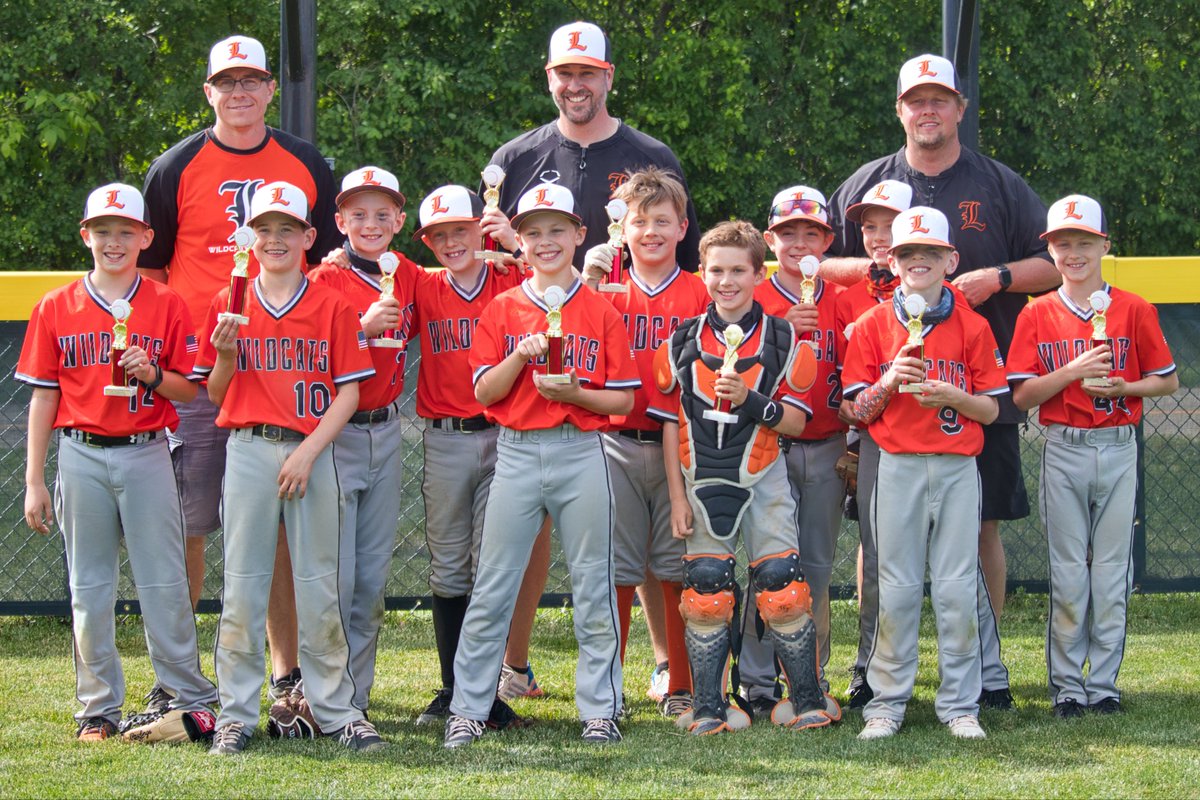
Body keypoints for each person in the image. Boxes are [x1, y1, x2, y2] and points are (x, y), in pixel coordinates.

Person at [825, 53, 1062, 709]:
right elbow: (815, 257)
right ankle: (872, 666)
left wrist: (999, 279)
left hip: (977, 379)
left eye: (940, 99)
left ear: (959, 107)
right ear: (900, 109)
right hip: (887, 386)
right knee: (878, 536)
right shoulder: (867, 182)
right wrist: (871, 278)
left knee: (982, 526)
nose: (927, 110)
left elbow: (1054, 261)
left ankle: (984, 670)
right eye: (915, 100)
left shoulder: (997, 183)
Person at [490, 18, 700, 705]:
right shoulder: (517, 156)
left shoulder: (647, 153)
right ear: (549, 78)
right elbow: (497, 265)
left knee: (646, 547)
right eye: (563, 73)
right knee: (538, 538)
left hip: (616, 379)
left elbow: (674, 259)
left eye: (587, 72)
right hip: (535, 373)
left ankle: (672, 669)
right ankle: (513, 665)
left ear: (608, 76)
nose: (575, 84)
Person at [138, 34, 340, 708]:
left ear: (269, 89)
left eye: (251, 79)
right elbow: (151, 273)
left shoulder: (305, 162)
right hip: (204, 373)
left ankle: (287, 674)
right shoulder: (175, 166)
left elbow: (332, 262)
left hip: (287, 370)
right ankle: (184, 679)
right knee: (190, 526)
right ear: (209, 91)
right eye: (227, 82)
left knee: (280, 527)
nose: (240, 92)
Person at [17, 184, 218, 742]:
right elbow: (43, 397)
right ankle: (98, 709)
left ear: (146, 238)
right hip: (80, 454)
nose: (114, 241)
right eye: (103, 231)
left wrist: (152, 373)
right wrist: (35, 479)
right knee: (89, 586)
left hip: (148, 451)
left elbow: (186, 389)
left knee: (165, 582)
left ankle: (189, 696)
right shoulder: (56, 305)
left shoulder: (168, 303)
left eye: (126, 231)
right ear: (86, 236)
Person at [443, 183, 639, 748]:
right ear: (518, 242)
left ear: (581, 235)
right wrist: (518, 354)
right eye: (533, 232)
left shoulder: (600, 308)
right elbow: (484, 392)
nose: (545, 241)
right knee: (493, 585)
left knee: (593, 584)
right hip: (519, 451)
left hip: (581, 452)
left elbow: (623, 400)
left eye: (557, 229)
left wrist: (577, 395)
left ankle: (600, 708)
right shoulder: (503, 307)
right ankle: (468, 707)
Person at [195, 182, 383, 755]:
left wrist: (308, 451)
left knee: (320, 586)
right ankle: (234, 713)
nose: (273, 239)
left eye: (286, 229)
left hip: (313, 448)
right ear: (248, 238)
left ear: (307, 236)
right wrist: (227, 353)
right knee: (243, 587)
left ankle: (334, 709)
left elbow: (350, 393)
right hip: (248, 449)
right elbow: (215, 394)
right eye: (263, 229)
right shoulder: (232, 300)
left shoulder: (332, 303)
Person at [658, 220, 838, 735]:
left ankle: (807, 699)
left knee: (782, 586)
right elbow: (673, 424)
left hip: (765, 475)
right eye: (716, 270)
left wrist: (754, 402)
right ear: (702, 272)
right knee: (706, 589)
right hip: (700, 479)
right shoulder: (680, 341)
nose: (726, 280)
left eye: (738, 269)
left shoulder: (786, 339)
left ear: (761, 273)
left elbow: (799, 421)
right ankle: (709, 705)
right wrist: (676, 496)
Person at [1007, 195, 1177, 718]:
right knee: (1068, 573)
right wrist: (1075, 372)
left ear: (1104, 244)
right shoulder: (1036, 312)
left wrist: (1127, 385)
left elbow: (1167, 381)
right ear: (1051, 251)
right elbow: (1021, 396)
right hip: (1063, 446)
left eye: (1084, 242)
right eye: (1063, 243)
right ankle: (1067, 686)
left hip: (1118, 447)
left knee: (1110, 572)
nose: (1073, 252)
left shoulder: (1133, 308)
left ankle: (1103, 683)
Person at [842, 206, 1008, 741]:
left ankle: (961, 704)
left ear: (949, 259)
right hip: (896, 466)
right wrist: (890, 382)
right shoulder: (871, 325)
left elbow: (995, 409)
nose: (919, 262)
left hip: (958, 466)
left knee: (958, 588)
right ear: (894, 259)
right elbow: (854, 411)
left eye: (930, 254)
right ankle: (887, 702)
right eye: (909, 253)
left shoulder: (973, 326)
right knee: (897, 586)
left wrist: (958, 396)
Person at [581, 167, 709, 718]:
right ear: (621, 229)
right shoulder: (603, 289)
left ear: (683, 228)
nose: (651, 231)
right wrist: (584, 288)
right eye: (639, 221)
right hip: (615, 440)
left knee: (679, 565)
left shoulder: (703, 291)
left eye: (663, 220)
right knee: (616, 568)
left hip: (687, 447)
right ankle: (607, 689)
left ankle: (682, 683)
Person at [405, 183, 527, 727]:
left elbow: (561, 285)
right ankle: (453, 686)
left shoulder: (511, 278)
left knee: (492, 565)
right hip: (446, 437)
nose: (451, 242)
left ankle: (486, 690)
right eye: (439, 235)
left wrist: (518, 247)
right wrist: (337, 256)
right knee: (449, 564)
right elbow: (359, 276)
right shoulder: (422, 284)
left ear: (481, 227)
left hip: (504, 435)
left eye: (461, 230)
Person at [306, 166, 419, 715]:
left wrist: (505, 252)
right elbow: (301, 353)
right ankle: (321, 692)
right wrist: (360, 329)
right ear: (339, 221)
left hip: (387, 430)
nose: (370, 224)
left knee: (371, 578)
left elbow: (466, 280)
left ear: (400, 219)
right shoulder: (322, 280)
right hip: (334, 431)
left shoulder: (411, 274)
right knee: (337, 576)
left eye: (382, 213)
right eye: (358, 214)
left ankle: (357, 695)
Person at [737, 186, 845, 717]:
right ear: (769, 240)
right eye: (788, 234)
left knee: (818, 570)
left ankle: (810, 678)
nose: (799, 243)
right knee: (769, 567)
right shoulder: (751, 301)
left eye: (811, 233)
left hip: (825, 447)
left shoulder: (842, 302)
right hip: (767, 447)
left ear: (826, 240)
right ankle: (756, 683)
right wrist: (781, 332)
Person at [833, 179, 913, 710]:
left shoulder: (936, 290)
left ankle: (974, 670)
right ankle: (867, 665)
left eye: (890, 225)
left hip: (935, 444)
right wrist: (854, 442)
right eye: (869, 226)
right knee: (879, 561)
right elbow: (844, 389)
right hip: (872, 440)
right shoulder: (844, 297)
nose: (879, 236)